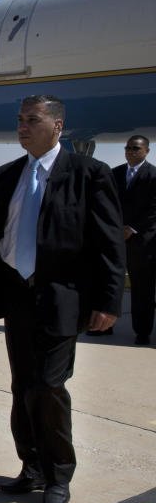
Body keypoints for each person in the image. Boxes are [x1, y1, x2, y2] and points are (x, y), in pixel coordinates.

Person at [0, 95, 124, 503]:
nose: (22, 127)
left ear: (58, 126)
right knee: (22, 386)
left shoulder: (89, 174)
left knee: (49, 387)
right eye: (19, 120)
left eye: (32, 120)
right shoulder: (7, 175)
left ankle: (58, 475)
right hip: (18, 297)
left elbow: (109, 244)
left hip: (61, 299)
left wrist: (108, 302)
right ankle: (31, 465)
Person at [112, 135, 156, 345]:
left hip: (142, 242)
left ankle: (142, 330)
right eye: (128, 148)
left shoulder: (153, 175)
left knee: (142, 288)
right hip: (116, 238)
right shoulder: (116, 173)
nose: (130, 152)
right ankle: (104, 326)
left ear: (146, 151)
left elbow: (154, 210)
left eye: (135, 149)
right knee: (111, 283)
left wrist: (132, 228)